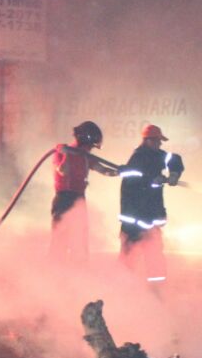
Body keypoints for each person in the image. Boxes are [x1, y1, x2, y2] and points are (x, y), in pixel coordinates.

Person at [118, 123, 184, 282]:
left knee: (154, 259)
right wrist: (151, 180)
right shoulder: (137, 158)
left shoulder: (157, 155)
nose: (159, 144)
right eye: (156, 141)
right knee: (128, 258)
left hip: (149, 218)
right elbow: (133, 181)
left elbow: (174, 159)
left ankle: (156, 290)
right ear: (147, 141)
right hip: (135, 222)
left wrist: (174, 173)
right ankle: (121, 289)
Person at [50, 120, 117, 264]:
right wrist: (67, 154)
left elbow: (104, 170)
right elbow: (63, 170)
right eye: (91, 146)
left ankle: (79, 272)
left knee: (80, 241)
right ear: (84, 140)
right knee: (61, 239)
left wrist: (121, 171)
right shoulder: (61, 151)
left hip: (79, 201)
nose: (91, 150)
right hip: (64, 200)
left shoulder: (85, 157)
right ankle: (55, 272)